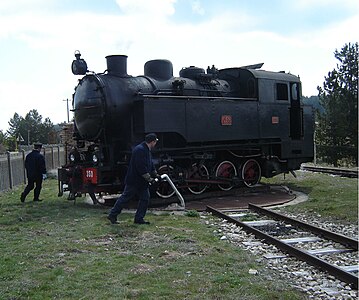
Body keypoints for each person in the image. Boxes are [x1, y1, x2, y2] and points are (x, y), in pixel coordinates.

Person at [107, 133, 159, 225]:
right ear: (152, 141)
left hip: (141, 181)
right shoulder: (140, 150)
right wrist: (150, 179)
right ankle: (113, 214)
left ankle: (139, 218)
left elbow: (150, 163)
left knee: (145, 198)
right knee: (125, 197)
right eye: (155, 142)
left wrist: (155, 174)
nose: (155, 144)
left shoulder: (146, 150)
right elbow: (141, 167)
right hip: (135, 180)